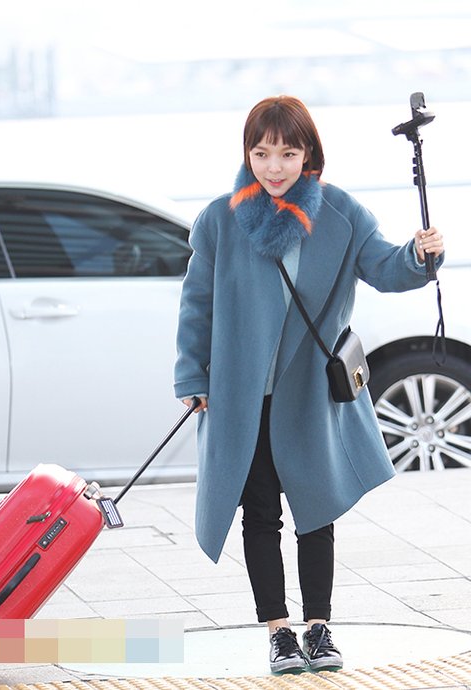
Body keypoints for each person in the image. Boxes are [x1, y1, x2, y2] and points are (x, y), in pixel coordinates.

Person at [174, 95, 444, 674]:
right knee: (259, 514)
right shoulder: (221, 219)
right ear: (247, 154)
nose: (274, 167)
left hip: (309, 393)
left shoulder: (342, 213)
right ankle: (279, 632)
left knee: (316, 511)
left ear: (309, 154)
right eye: (261, 153)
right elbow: (196, 305)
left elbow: (385, 268)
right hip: (244, 396)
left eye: (288, 153)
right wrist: (192, 376)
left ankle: (319, 628)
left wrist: (419, 257)